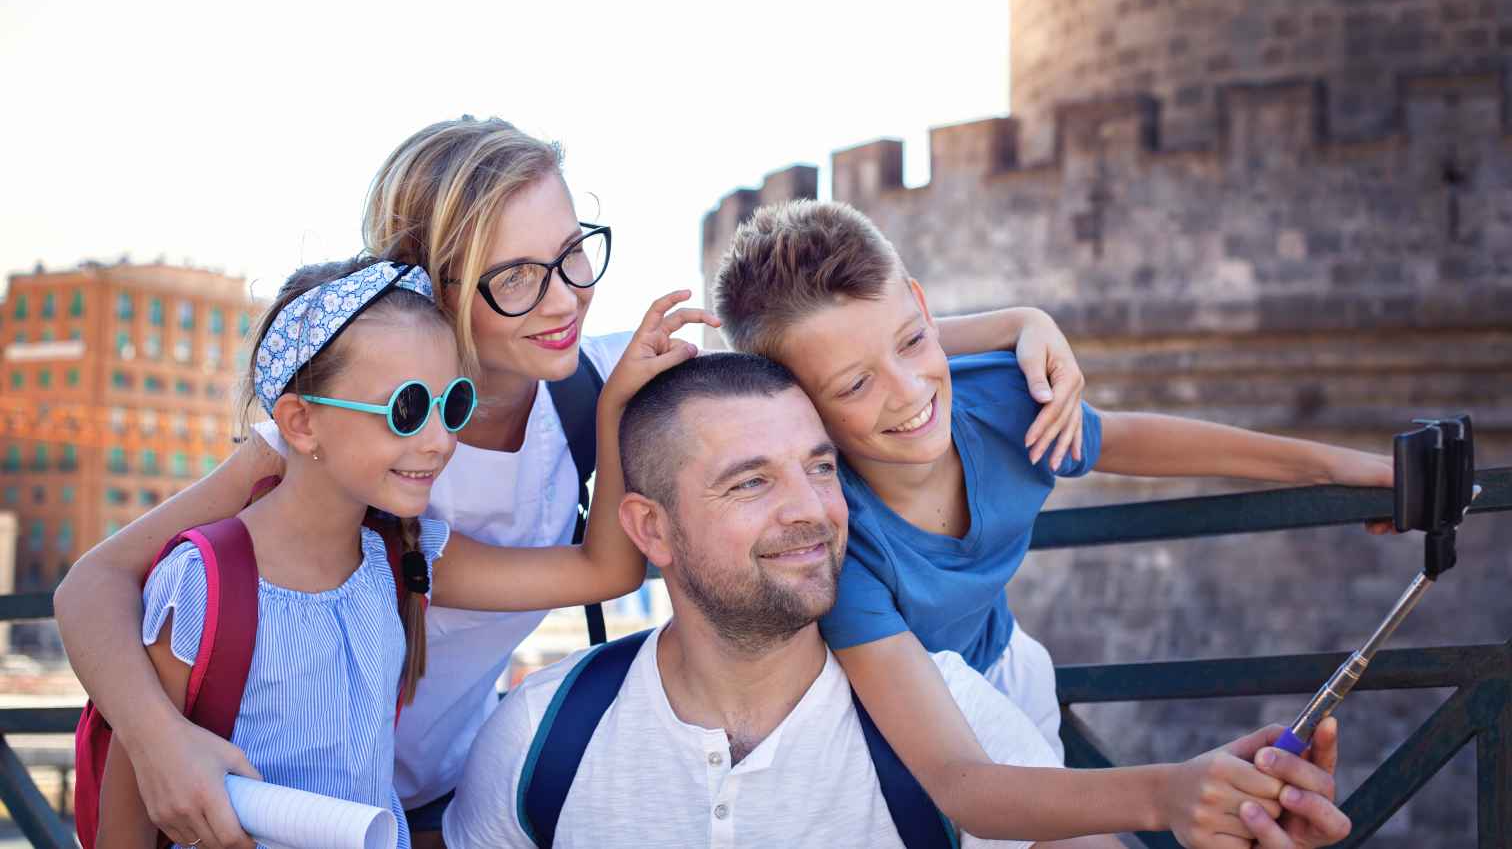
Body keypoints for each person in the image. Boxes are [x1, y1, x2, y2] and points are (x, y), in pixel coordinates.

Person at [53, 117, 1092, 848]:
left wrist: (1014, 327)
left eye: (574, 254)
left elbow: (804, 353)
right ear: (432, 282)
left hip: (447, 789)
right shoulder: (352, 431)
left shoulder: (590, 375)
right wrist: (164, 743)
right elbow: (88, 588)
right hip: (265, 789)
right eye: (516, 276)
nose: (562, 297)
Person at [442, 353, 1353, 849]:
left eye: (822, 467)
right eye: (750, 483)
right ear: (650, 528)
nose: (812, 511)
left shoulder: (954, 721)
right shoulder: (539, 741)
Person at [710, 199, 1392, 845]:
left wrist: (1338, 468)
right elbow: (961, 782)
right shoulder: (836, 542)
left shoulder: (1002, 400)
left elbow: (1132, 440)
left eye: (914, 342)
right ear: (792, 406)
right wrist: (1171, 793)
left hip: (1008, 668)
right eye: (855, 386)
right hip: (890, 717)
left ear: (921, 305)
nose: (910, 390)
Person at [94, 257, 696, 847]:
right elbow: (127, 821)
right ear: (301, 423)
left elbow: (607, 570)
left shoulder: (405, 559)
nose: (439, 441)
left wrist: (612, 404)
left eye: (452, 404)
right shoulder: (203, 583)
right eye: (406, 410)